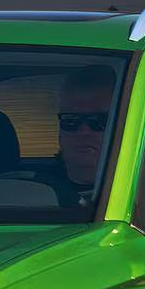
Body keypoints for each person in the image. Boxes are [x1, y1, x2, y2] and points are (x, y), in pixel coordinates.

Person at [55, 64, 119, 197]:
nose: (84, 131)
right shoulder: (24, 193)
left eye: (100, 120)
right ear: (60, 132)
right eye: (71, 120)